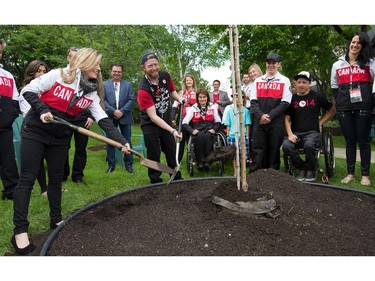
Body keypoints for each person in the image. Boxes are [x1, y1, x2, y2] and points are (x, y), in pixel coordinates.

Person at [12, 48, 131, 255]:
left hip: (59, 135)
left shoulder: (91, 91)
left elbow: (103, 119)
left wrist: (121, 141)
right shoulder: (59, 75)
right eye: (96, 63)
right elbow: (28, 91)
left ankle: (55, 219)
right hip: (36, 130)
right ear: (85, 61)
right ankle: (20, 231)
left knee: (56, 179)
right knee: (28, 179)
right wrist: (43, 110)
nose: (99, 68)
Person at [331, 31, 375, 186]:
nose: (355, 45)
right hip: (344, 108)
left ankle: (365, 175)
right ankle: (350, 174)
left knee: (363, 141)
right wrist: (339, 102)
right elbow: (334, 86)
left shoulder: (370, 62)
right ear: (349, 43)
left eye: (359, 43)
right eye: (353, 42)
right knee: (349, 141)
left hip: (364, 106)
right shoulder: (337, 64)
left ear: (363, 46)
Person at [137, 51, 184, 184]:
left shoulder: (165, 76)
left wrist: (180, 99)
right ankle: (155, 180)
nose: (154, 68)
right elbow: (153, 117)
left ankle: (176, 176)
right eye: (150, 66)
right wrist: (173, 130)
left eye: (155, 64)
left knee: (171, 149)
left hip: (166, 121)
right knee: (154, 153)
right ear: (143, 68)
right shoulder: (143, 89)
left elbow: (171, 91)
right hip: (150, 124)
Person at [282, 71, 336, 182]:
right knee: (286, 145)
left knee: (309, 145)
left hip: (313, 133)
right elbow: (286, 119)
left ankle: (311, 170)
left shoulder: (317, 96)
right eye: (299, 82)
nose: (301, 85)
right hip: (296, 133)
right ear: (295, 84)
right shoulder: (291, 99)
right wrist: (290, 134)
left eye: (304, 82)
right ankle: (302, 167)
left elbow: (332, 110)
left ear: (309, 83)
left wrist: (320, 122)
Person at [249, 52, 293, 172]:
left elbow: (285, 103)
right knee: (257, 149)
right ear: (266, 64)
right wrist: (261, 116)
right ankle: (254, 176)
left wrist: (270, 116)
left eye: (274, 63)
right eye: (269, 63)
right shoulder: (257, 81)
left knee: (273, 150)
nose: (271, 65)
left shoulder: (284, 81)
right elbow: (253, 102)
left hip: (276, 122)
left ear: (278, 64)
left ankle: (273, 177)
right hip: (260, 122)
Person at [63, 47, 94, 183]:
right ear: (67, 58)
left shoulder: (87, 76)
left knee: (81, 149)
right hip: (65, 117)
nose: (74, 59)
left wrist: (92, 117)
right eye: (72, 56)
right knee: (63, 147)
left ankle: (77, 176)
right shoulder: (62, 74)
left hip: (83, 118)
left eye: (78, 57)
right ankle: (63, 174)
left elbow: (95, 99)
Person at [19, 59, 49, 196]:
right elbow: (27, 113)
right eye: (39, 71)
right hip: (33, 129)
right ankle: (44, 189)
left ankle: (48, 188)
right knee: (37, 160)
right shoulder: (27, 90)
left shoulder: (46, 88)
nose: (42, 74)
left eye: (44, 71)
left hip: (47, 127)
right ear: (32, 72)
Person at [104, 63, 135, 174]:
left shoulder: (128, 85)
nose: (117, 73)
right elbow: (103, 100)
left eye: (119, 71)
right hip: (110, 117)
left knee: (127, 141)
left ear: (122, 73)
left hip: (125, 116)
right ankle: (111, 165)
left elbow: (131, 100)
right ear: (111, 72)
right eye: (115, 71)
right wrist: (113, 111)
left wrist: (121, 111)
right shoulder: (104, 85)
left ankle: (129, 165)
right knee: (110, 142)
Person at [182, 88, 222, 171]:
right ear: (197, 98)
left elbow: (218, 121)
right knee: (199, 137)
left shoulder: (212, 106)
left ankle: (207, 162)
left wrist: (214, 129)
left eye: (204, 97)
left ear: (207, 97)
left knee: (208, 136)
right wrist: (192, 130)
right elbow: (185, 122)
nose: (202, 99)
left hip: (209, 128)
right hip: (198, 129)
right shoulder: (193, 108)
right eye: (200, 97)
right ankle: (200, 162)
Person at [0, 38, 20, 201]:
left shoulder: (7, 76)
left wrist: (8, 118)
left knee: (8, 160)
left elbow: (15, 99)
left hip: (4, 126)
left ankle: (11, 191)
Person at [222, 92, 251, 176]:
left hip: (243, 136)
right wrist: (227, 135)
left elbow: (247, 124)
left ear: (243, 99)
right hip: (232, 136)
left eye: (240, 97)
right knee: (234, 155)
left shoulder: (245, 111)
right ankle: (235, 172)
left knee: (243, 155)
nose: (238, 99)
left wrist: (247, 136)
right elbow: (228, 124)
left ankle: (243, 172)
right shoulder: (230, 110)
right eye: (236, 97)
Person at [170, 74, 197, 162]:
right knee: (180, 140)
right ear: (185, 82)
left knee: (193, 140)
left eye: (190, 80)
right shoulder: (181, 93)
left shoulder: (196, 92)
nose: (189, 82)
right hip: (181, 119)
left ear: (193, 81)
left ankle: (194, 159)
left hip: (193, 120)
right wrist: (172, 118)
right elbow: (174, 106)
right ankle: (177, 160)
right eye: (187, 80)